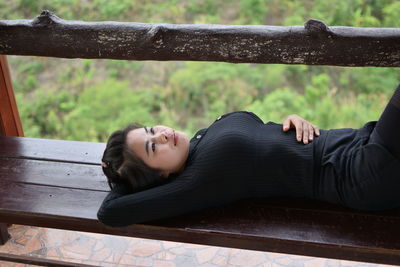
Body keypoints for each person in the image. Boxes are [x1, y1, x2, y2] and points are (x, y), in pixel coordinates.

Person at [97, 85, 400, 227]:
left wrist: (290, 120)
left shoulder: (203, 138)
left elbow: (261, 138)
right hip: (361, 173)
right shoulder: (195, 181)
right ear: (160, 176)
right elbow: (111, 213)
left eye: (151, 130)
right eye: (152, 148)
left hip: (358, 143)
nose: (161, 135)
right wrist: (118, 173)